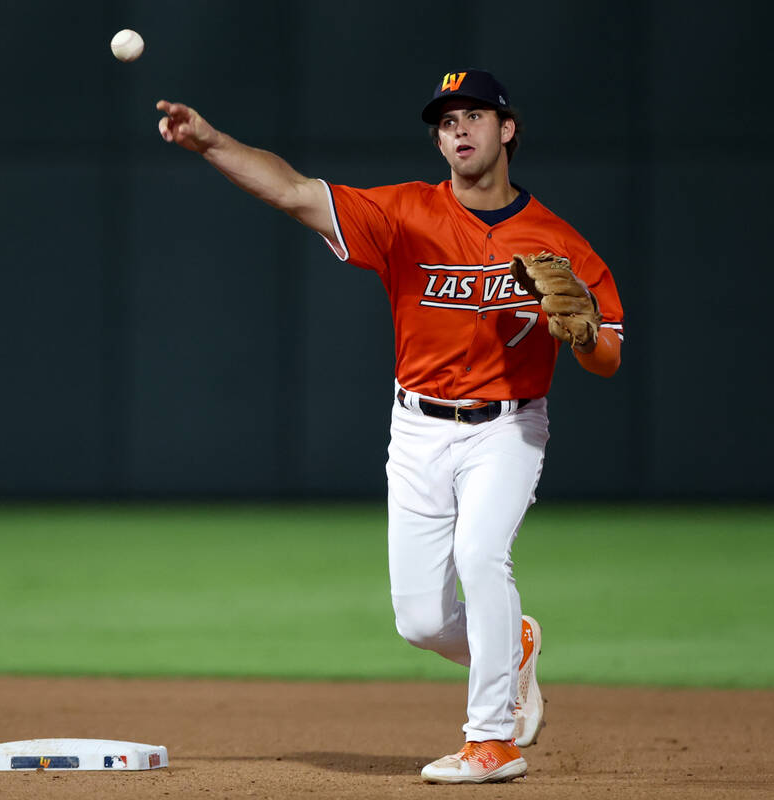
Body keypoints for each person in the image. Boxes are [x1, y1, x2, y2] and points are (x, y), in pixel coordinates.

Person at [156, 69, 624, 784]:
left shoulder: (557, 240)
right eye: (445, 121)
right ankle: (513, 645)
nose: (458, 130)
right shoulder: (406, 214)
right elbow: (293, 191)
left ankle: (492, 741)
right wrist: (211, 141)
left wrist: (583, 335)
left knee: (481, 554)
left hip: (507, 428)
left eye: (474, 116)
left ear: (508, 130)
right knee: (420, 623)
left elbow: (609, 358)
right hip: (417, 431)